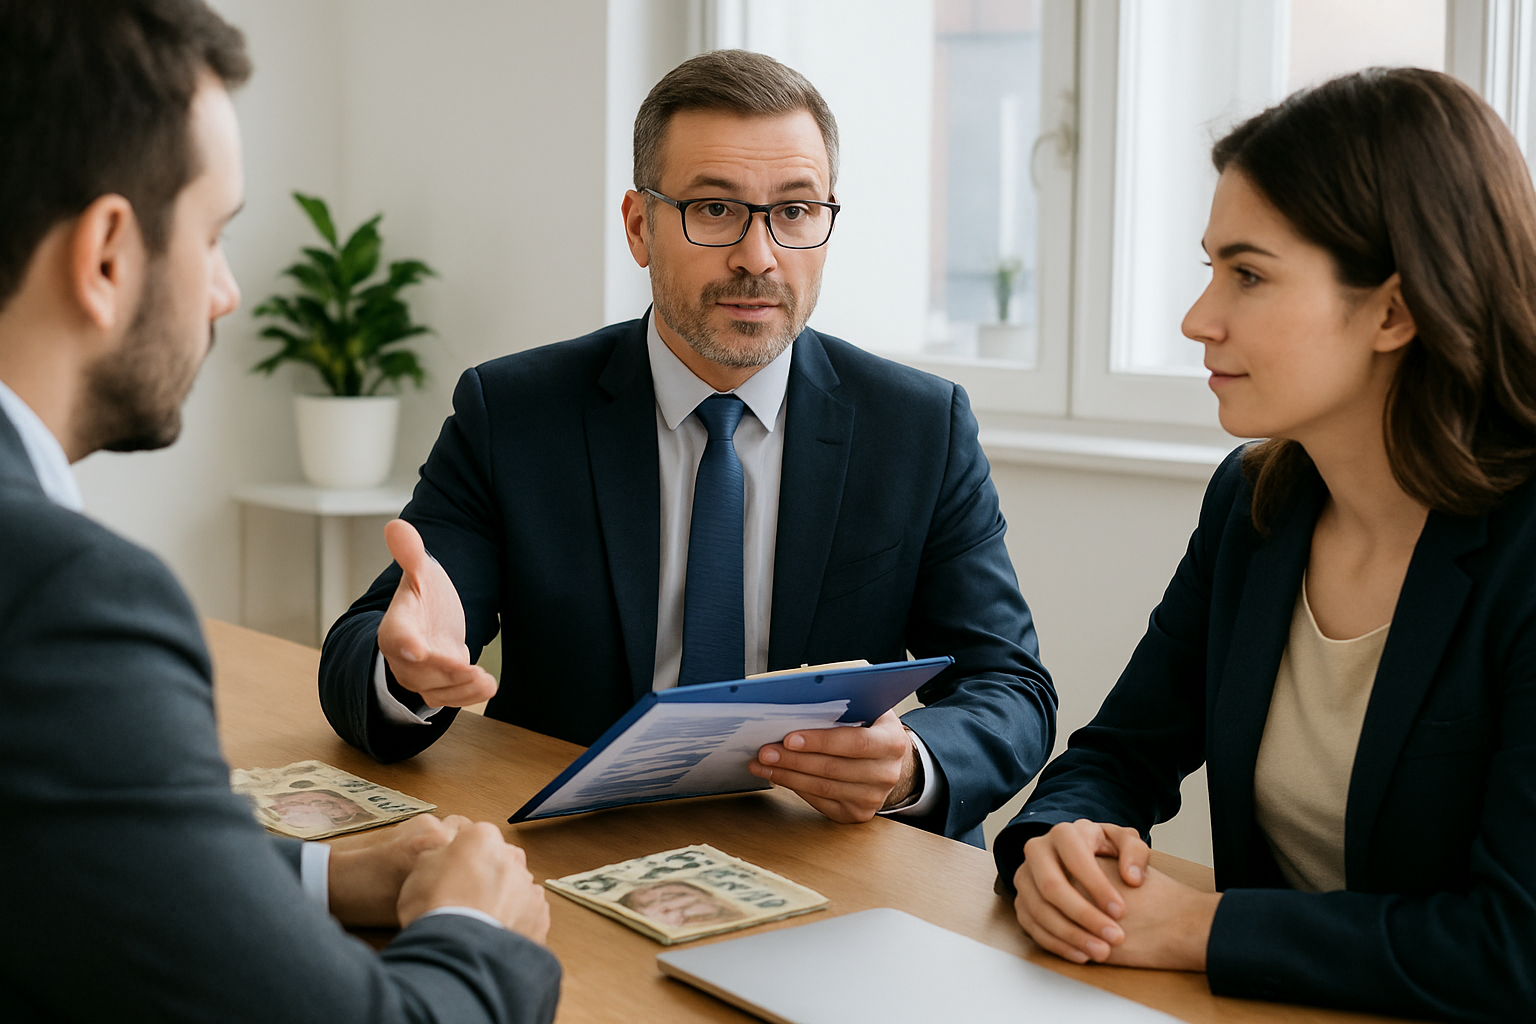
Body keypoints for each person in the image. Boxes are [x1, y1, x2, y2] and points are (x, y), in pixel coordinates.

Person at [318, 49, 1056, 846]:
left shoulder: (919, 427)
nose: (759, 256)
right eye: (714, 209)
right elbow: (366, 648)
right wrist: (406, 675)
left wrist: (911, 763)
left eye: (796, 211)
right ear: (639, 226)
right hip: (586, 846)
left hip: (825, 851)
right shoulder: (515, 414)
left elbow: (1010, 686)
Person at [0, 2, 559, 1020]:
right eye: (213, 234)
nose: (224, 290)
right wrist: (472, 928)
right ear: (108, 255)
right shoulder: (62, 599)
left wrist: (314, 879)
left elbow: (44, 834)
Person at [994, 68, 1536, 1021]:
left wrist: (1195, 928)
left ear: (1393, 312)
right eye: (1210, 269)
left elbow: (1512, 947)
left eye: (1247, 274)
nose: (1199, 319)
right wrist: (1062, 841)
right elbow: (1121, 750)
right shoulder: (1257, 504)